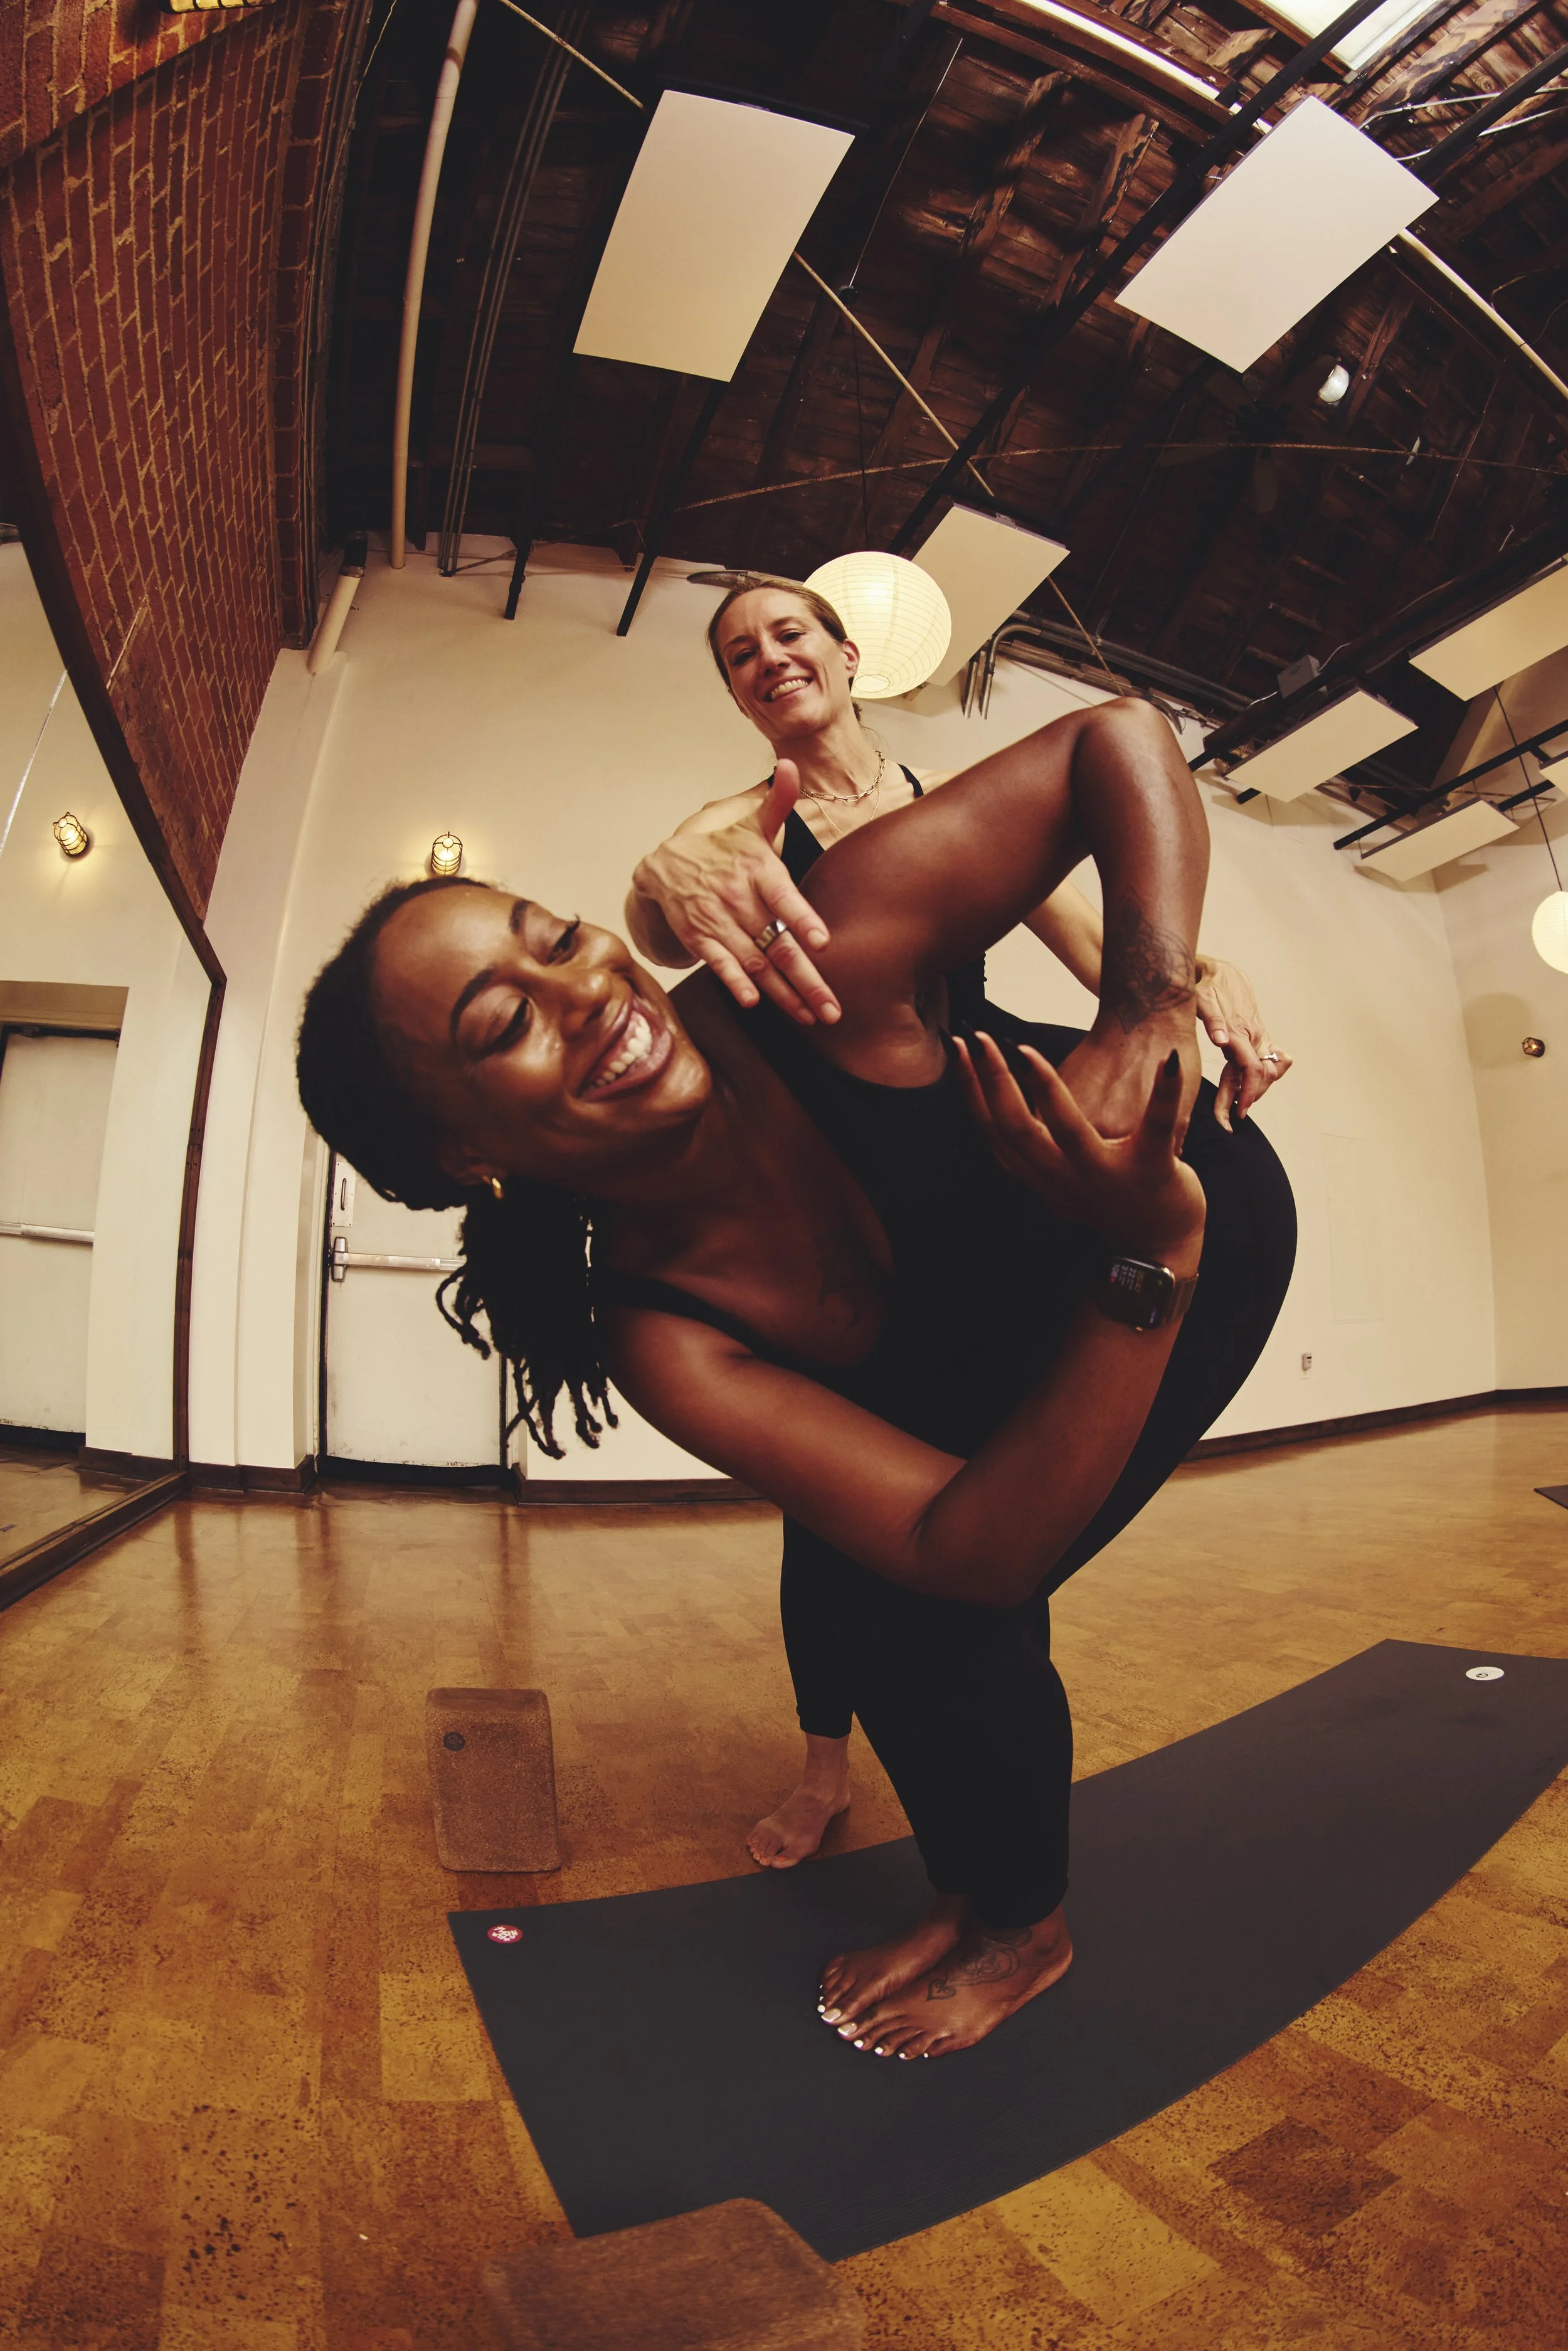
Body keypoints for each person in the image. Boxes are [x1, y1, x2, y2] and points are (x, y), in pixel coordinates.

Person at [297, 696, 1295, 2061]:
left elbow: (1108, 743)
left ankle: (1020, 1924)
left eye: (556, 938)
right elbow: (961, 1537)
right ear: (471, 1155)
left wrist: (1143, 1008)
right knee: (864, 1587)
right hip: (1062, 1300)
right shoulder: (659, 1326)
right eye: (502, 1025)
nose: (588, 992)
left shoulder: (811, 975)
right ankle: (973, 1889)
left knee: (942, 1632)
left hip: (1196, 1237)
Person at [625, 580, 1293, 1867]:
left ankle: (975, 1717)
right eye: (738, 653)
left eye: (788, 633)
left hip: (967, 1149)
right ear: (734, 694)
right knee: (820, 1514)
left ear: (845, 652)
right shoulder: (738, 823)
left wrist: (1200, 977)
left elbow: (1101, 942)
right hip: (840, 1182)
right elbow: (667, 915)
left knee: (971, 1470)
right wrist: (660, 875)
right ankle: (824, 1769)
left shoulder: (947, 803)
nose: (768, 658)